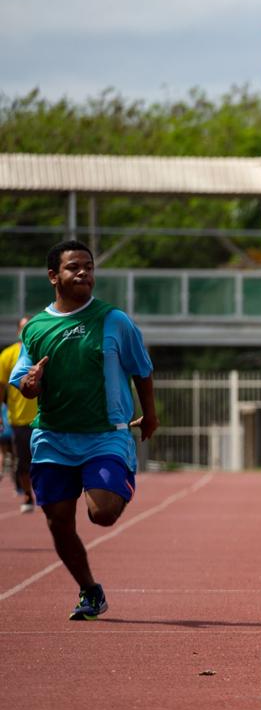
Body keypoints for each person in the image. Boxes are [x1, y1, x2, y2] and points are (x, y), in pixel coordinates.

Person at [10, 240, 158, 620]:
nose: (83, 273)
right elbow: (25, 380)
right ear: (53, 276)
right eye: (73, 267)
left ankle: (120, 477)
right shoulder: (36, 328)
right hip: (53, 437)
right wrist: (30, 383)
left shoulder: (115, 321)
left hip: (104, 434)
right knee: (58, 522)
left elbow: (142, 370)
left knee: (102, 513)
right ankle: (90, 590)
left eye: (88, 267)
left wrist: (150, 415)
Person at [0, 317, 36, 513]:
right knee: (23, 461)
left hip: (43, 418)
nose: (26, 331)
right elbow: (1, 386)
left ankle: (46, 493)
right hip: (19, 418)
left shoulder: (42, 350)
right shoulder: (7, 355)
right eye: (23, 328)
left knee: (46, 460)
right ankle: (28, 494)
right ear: (17, 332)